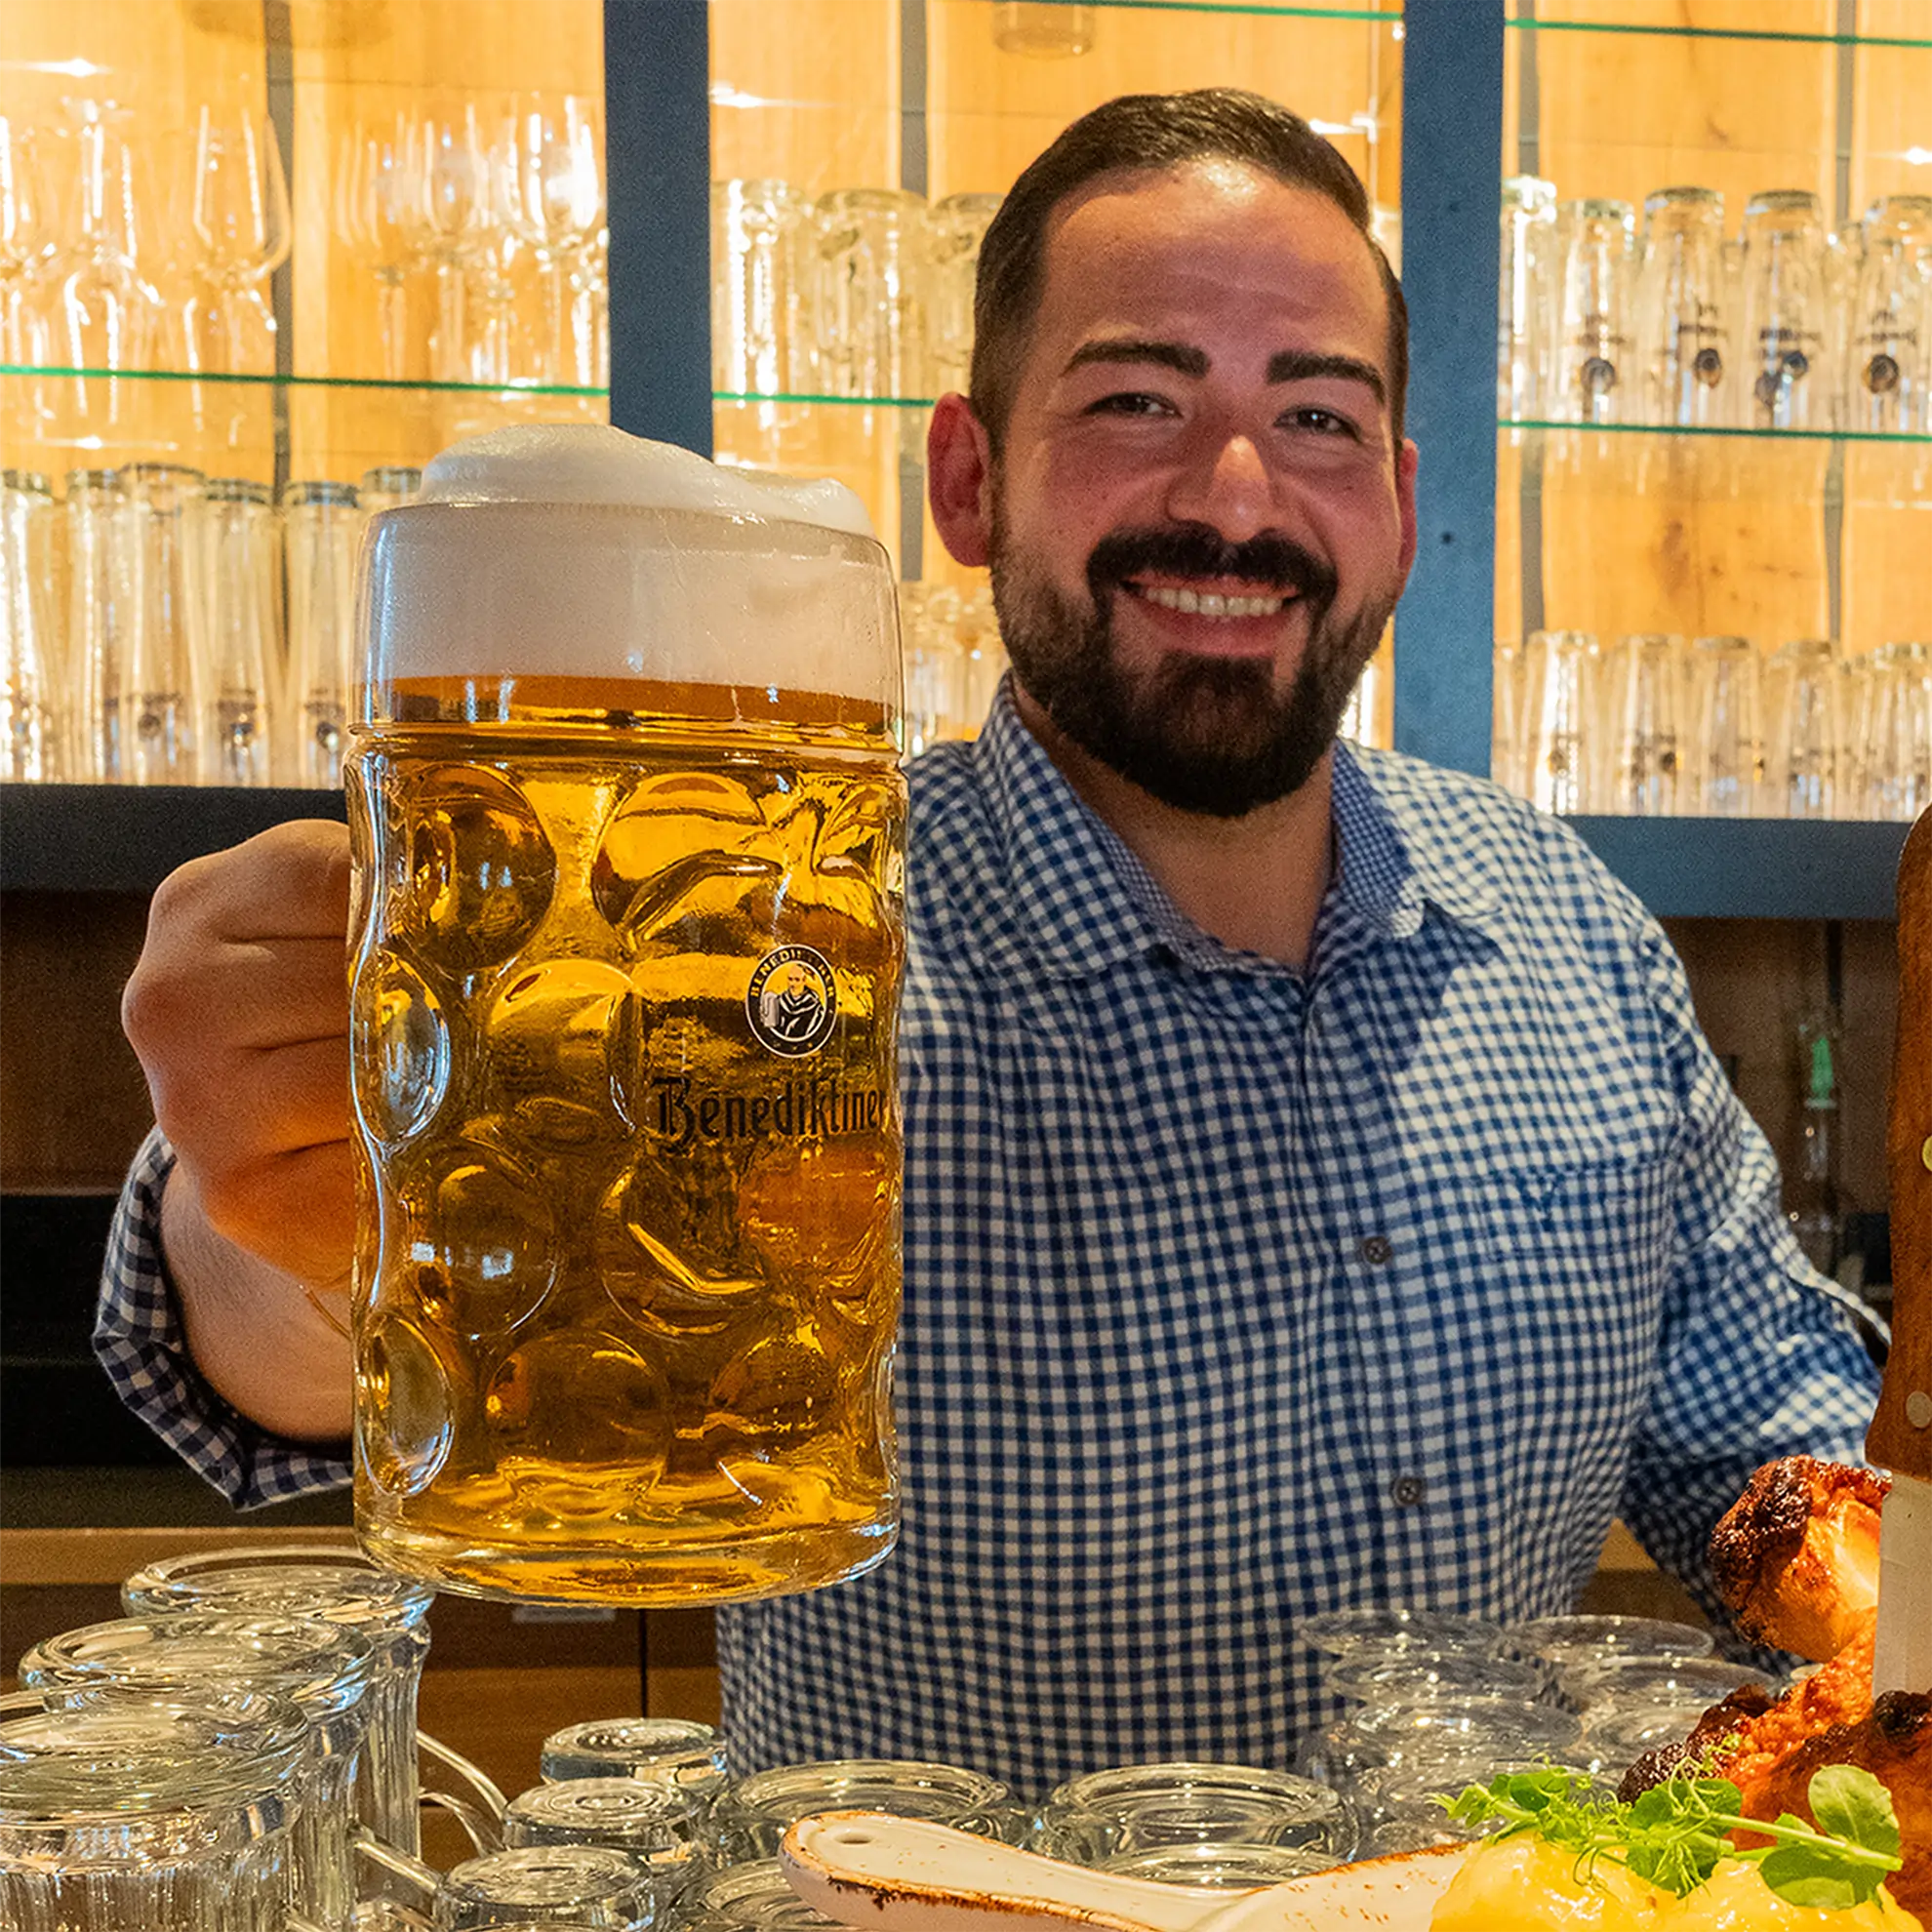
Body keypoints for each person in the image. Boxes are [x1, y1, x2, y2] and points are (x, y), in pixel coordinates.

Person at [99, 90, 1880, 1797]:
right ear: (968, 479)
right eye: (1135, 402)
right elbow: (289, 1347)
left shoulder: (1574, 939)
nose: (1239, 495)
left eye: (1319, 418)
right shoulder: (764, 937)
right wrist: (275, 1181)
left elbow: (1778, 1471)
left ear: (1402, 504)